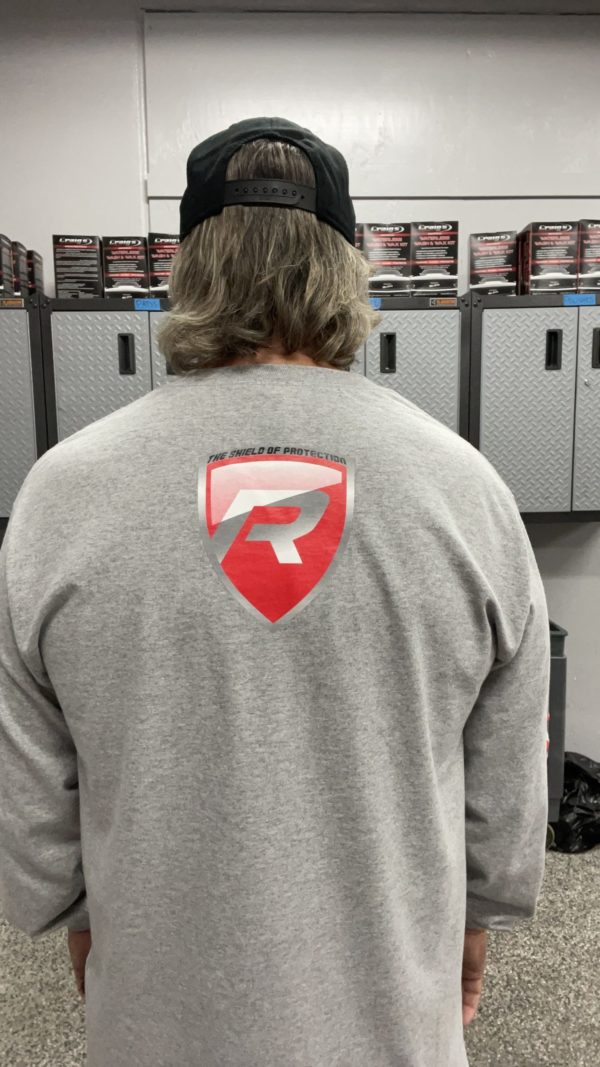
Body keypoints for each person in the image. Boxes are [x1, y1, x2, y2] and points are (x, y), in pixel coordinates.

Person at [0, 117, 550, 1067]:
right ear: (349, 268)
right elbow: (503, 791)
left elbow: (33, 804)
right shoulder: (465, 488)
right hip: (391, 1018)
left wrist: (77, 921)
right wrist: (475, 922)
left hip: (158, 1019)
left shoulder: (61, 493)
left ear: (189, 268)